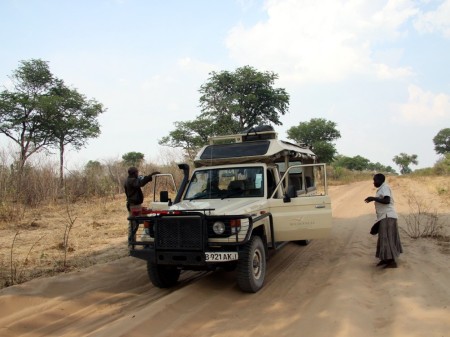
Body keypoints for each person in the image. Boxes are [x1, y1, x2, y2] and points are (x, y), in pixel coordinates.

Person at [364, 173, 403, 268]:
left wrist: (373, 198)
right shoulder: (382, 188)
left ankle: (391, 261)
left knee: (387, 238)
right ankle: (385, 259)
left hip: (388, 216)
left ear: (380, 180)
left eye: (375, 180)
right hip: (384, 216)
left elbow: (387, 200)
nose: (373, 182)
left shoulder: (385, 187)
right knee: (383, 237)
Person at [124, 167, 159, 240]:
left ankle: (141, 239)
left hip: (135, 205)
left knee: (142, 220)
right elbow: (140, 183)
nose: (138, 173)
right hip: (134, 205)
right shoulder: (131, 180)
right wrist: (149, 176)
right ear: (134, 173)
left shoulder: (130, 180)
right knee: (134, 224)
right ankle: (132, 243)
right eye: (137, 172)